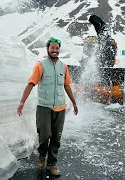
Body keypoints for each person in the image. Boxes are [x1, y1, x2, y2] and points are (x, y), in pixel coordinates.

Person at [17, 37, 78, 176]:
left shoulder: (64, 66)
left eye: (57, 48)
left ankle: (52, 164)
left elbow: (67, 85)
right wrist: (22, 102)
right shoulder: (41, 65)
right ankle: (42, 155)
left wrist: (74, 102)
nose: (55, 50)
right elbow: (31, 83)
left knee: (56, 138)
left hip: (60, 107)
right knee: (45, 136)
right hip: (44, 107)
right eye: (52, 48)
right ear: (48, 49)